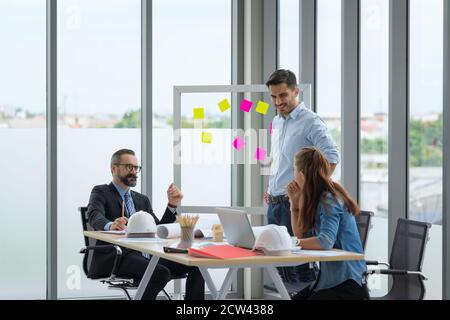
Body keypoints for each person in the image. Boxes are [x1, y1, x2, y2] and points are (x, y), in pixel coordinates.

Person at [87, 148, 205, 300]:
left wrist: (172, 205)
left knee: (197, 266)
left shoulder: (142, 200)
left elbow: (158, 230)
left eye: (136, 168)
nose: (134, 171)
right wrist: (110, 224)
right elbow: (94, 215)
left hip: (148, 255)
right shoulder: (101, 192)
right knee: (160, 273)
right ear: (113, 168)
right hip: (119, 257)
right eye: (129, 167)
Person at [264, 69, 340, 286]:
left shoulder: (310, 121)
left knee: (300, 269)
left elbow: (333, 157)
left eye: (283, 95)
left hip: (295, 203)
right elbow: (281, 161)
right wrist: (271, 187)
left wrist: (310, 192)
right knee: (281, 272)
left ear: (296, 91)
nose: (278, 102)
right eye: (273, 96)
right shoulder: (277, 122)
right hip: (275, 203)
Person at [286, 147, 367, 300]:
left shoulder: (329, 200)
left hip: (349, 282)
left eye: (294, 170)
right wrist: (294, 204)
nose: (293, 176)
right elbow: (300, 235)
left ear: (301, 175)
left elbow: (325, 241)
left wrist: (292, 243)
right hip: (328, 281)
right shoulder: (317, 198)